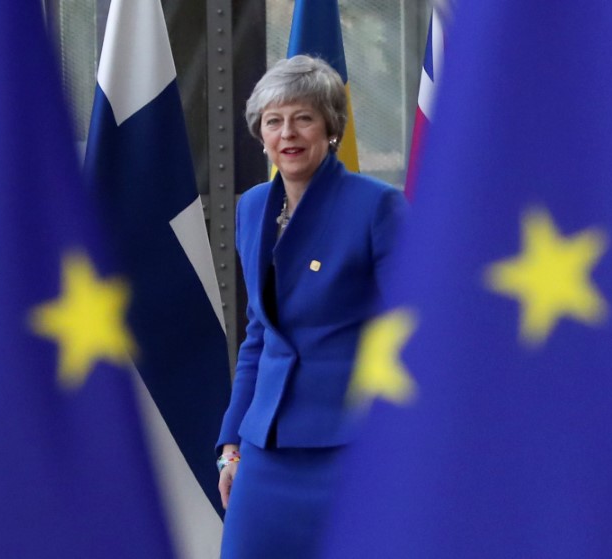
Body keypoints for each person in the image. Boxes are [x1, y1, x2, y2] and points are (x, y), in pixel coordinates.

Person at [215, 54, 408, 558]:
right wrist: (231, 443)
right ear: (261, 135)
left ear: (331, 128)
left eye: (303, 117)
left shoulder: (377, 206)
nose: (288, 133)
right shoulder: (252, 206)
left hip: (353, 446)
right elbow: (259, 333)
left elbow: (413, 330)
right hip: (265, 450)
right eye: (274, 121)